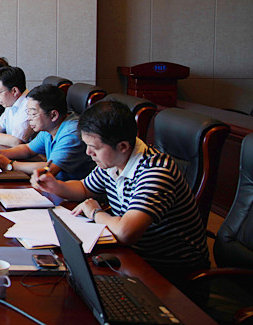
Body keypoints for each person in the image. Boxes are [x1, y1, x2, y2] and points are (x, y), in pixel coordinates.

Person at [31, 100, 209, 283]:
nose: (88, 153)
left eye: (95, 148)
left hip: (168, 272)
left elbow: (125, 233)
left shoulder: (155, 172)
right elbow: (85, 188)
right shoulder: (115, 161)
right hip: (132, 255)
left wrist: (95, 212)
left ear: (123, 146)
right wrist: (55, 185)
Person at [0, 84, 94, 180]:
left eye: (33, 114)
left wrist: (10, 165)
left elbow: (50, 168)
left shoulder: (72, 133)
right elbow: (28, 149)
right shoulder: (50, 127)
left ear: (53, 115)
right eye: (28, 113)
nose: (29, 118)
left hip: (71, 192)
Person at [0, 66, 33, 146]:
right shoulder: (11, 101)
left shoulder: (29, 106)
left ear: (14, 91)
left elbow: (17, 141)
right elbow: (0, 126)